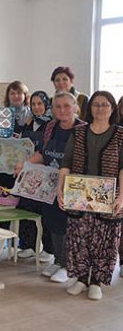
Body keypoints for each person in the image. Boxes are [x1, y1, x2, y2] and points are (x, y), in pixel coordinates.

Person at [58, 91, 123, 300]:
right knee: (79, 236)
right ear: (90, 108)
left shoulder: (120, 135)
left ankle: (96, 281)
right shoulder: (78, 132)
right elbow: (66, 163)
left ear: (112, 108)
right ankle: (81, 278)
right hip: (79, 195)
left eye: (105, 105)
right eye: (96, 104)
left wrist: (121, 197)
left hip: (109, 198)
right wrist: (60, 189)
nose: (100, 108)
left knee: (104, 239)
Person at [17, 91, 84, 284]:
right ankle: (58, 260)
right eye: (57, 106)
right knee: (53, 222)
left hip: (73, 185)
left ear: (75, 108)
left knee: (69, 225)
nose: (62, 110)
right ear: (52, 109)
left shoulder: (83, 129)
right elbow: (42, 153)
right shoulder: (51, 127)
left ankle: (68, 266)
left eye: (66, 106)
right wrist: (25, 165)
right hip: (50, 183)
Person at [16, 91, 53, 262]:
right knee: (26, 208)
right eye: (33, 104)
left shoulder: (52, 125)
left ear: (46, 105)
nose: (36, 107)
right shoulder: (28, 123)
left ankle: (48, 249)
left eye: (40, 104)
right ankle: (28, 245)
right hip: (27, 172)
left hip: (45, 172)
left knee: (44, 213)